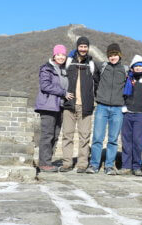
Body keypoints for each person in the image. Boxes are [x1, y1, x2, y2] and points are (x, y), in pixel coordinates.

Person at [86, 43, 127, 175]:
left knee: (113, 139)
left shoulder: (125, 70)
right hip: (102, 107)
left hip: (117, 109)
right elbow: (87, 62)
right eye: (110, 55)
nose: (113, 57)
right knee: (97, 137)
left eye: (115, 55)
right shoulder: (102, 67)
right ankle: (94, 165)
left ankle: (109, 166)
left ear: (119, 55)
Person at [34, 44, 73, 172]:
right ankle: (44, 163)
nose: (61, 57)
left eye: (63, 55)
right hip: (48, 106)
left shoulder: (64, 70)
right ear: (54, 55)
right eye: (59, 54)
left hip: (60, 106)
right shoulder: (47, 68)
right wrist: (63, 93)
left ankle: (48, 161)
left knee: (55, 135)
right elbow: (45, 86)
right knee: (47, 135)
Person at [60, 36, 95, 173]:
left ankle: (82, 164)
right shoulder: (69, 62)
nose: (83, 49)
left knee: (84, 137)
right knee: (67, 135)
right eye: (81, 46)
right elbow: (60, 79)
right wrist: (63, 93)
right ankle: (67, 163)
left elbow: (97, 83)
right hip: (69, 105)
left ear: (88, 48)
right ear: (77, 47)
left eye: (85, 46)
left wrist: (93, 99)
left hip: (85, 106)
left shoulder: (91, 64)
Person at [119, 55, 142, 176]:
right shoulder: (128, 78)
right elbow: (121, 93)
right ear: (132, 68)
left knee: (138, 142)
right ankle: (126, 166)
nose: (138, 68)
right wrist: (123, 105)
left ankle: (136, 166)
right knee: (126, 141)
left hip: (140, 114)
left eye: (140, 66)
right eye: (136, 66)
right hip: (127, 113)